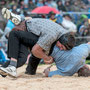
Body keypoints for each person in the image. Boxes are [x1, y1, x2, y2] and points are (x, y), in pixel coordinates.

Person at [0, 8, 75, 77]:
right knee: (38, 50)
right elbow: (35, 50)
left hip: (32, 24)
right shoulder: (52, 36)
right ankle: (21, 21)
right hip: (27, 28)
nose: (61, 49)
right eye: (61, 46)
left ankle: (6, 70)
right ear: (59, 41)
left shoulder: (64, 33)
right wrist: (47, 58)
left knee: (22, 60)